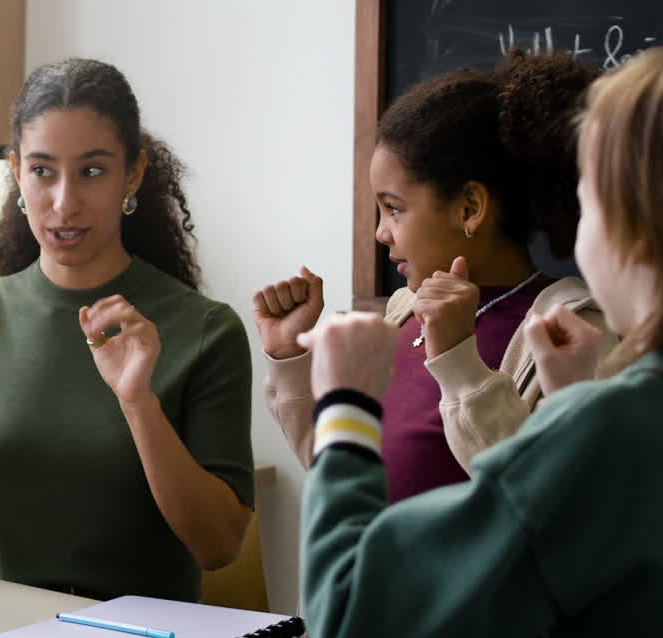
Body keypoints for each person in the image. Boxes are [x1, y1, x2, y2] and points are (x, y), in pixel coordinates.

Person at [296, 48, 663, 638]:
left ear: (636, 230)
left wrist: (346, 404)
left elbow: (345, 611)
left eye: (586, 201)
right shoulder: (609, 406)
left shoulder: (610, 412)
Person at [0, 58, 254, 602]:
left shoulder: (205, 329)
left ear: (132, 174)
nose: (64, 203)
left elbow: (219, 546)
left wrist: (138, 403)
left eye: (91, 171)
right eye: (42, 171)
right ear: (17, 171)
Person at [255, 50, 617, 504]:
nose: (380, 232)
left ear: (469, 208)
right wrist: (289, 357)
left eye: (394, 209)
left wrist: (458, 361)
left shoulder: (573, 335)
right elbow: (341, 480)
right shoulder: (403, 314)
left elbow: (550, 508)